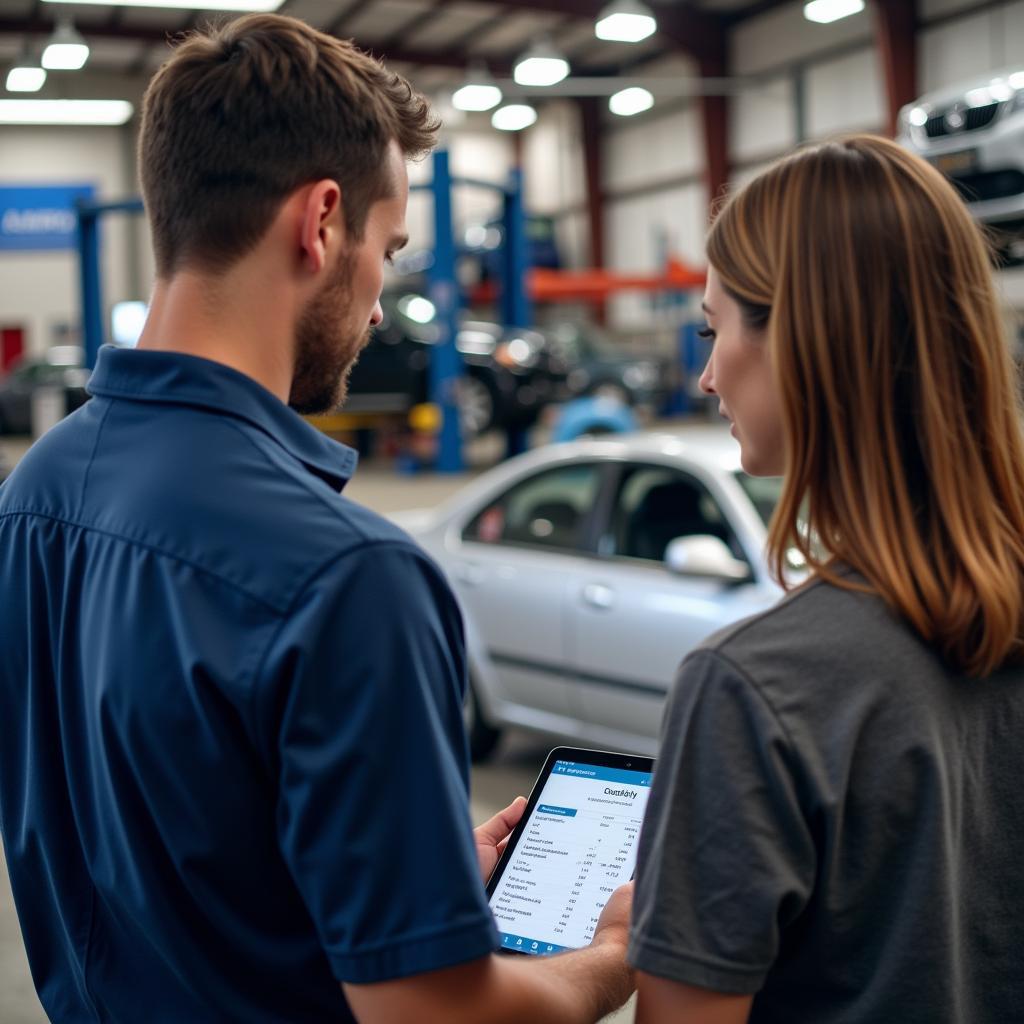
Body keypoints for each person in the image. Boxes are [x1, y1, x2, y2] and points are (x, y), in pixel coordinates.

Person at [0, 14, 634, 1024]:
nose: (381, 301)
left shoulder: (34, 493)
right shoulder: (348, 574)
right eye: (388, 248)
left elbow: (163, 859)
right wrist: (608, 959)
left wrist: (404, 882)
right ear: (321, 221)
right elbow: (432, 1013)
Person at [628, 134, 1024, 1023]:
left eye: (712, 327)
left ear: (806, 340)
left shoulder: (755, 687)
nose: (704, 373)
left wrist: (628, 948)